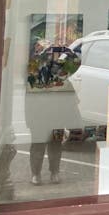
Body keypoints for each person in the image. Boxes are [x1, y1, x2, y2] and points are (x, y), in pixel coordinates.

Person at [24, 23, 82, 186]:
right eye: (48, 55)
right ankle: (35, 174)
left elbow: (70, 99)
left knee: (55, 144)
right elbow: (28, 99)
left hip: (56, 116)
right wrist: (29, 119)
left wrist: (71, 120)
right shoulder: (34, 75)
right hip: (39, 116)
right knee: (38, 145)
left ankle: (54, 172)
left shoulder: (60, 74)